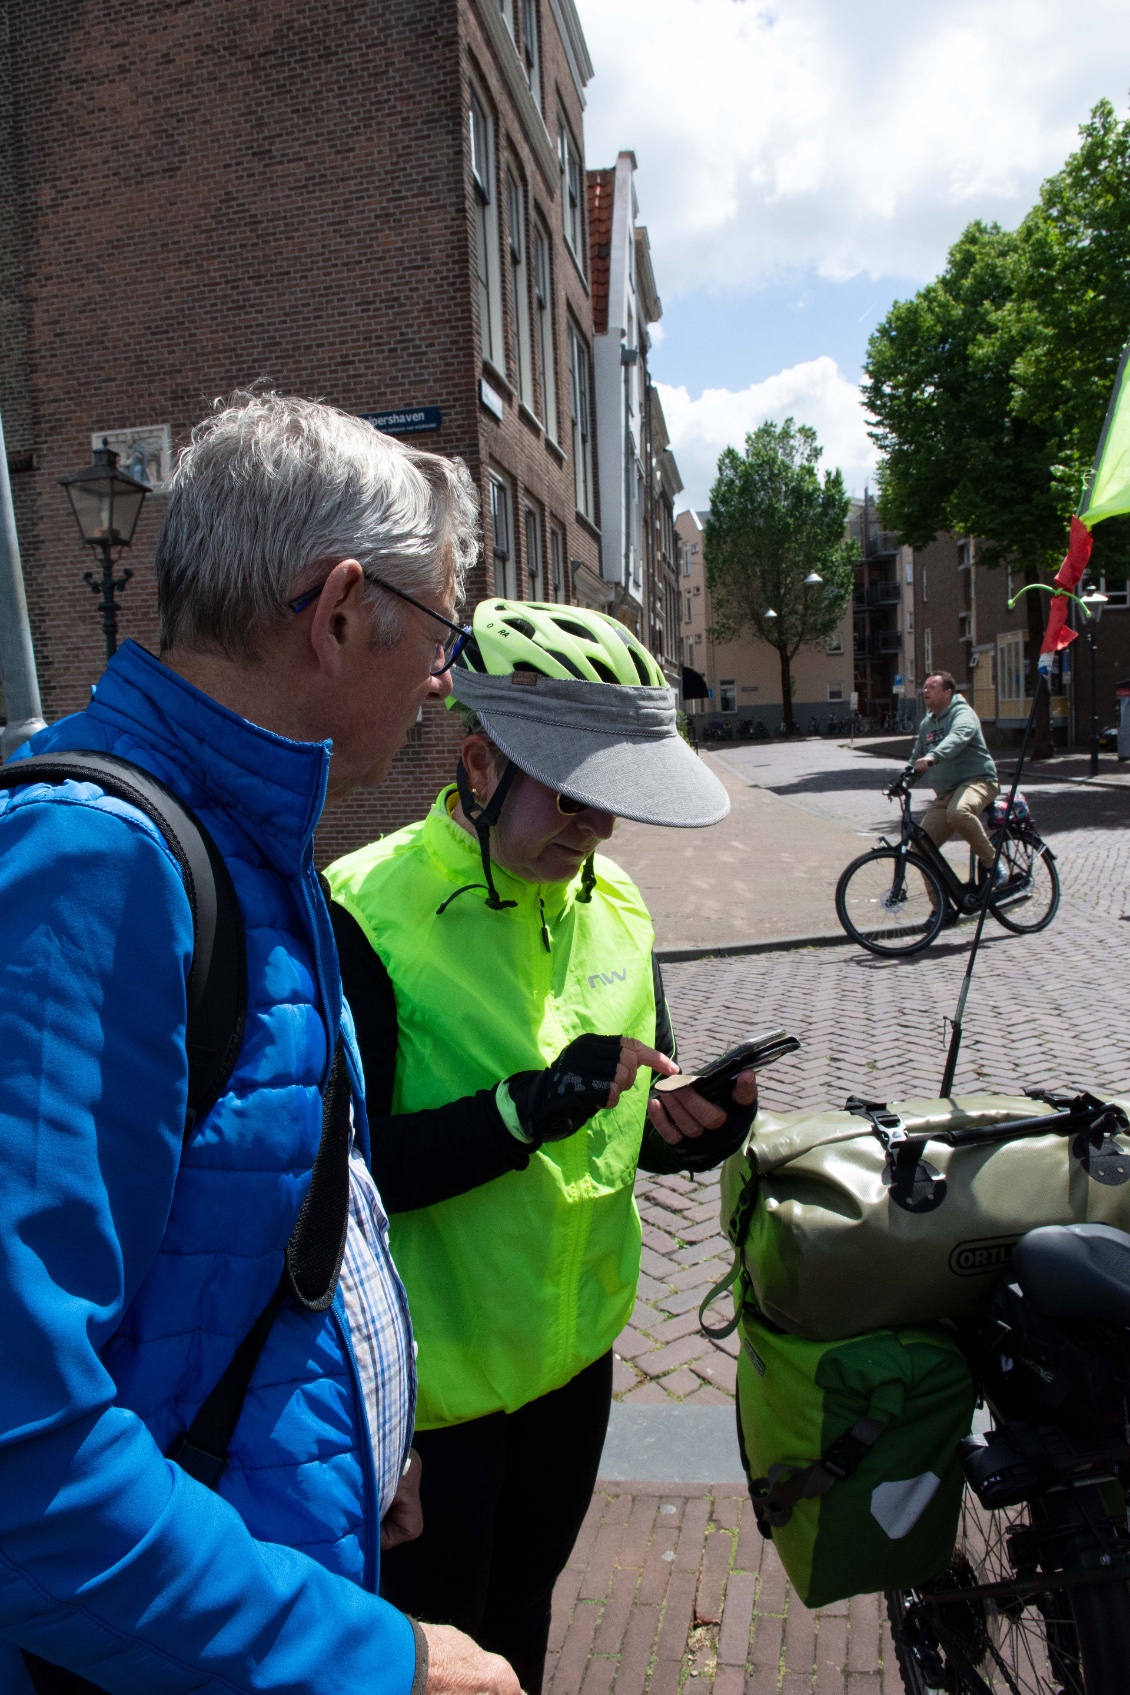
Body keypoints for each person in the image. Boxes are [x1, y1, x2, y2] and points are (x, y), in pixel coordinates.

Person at [0, 393, 519, 1695]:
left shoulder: (259, 838)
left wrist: (360, 1423)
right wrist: (377, 1656)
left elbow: (279, 1202)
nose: (445, 676)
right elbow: (23, 1454)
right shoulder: (95, 871)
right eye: (441, 630)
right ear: (341, 613)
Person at [326, 600, 760, 1694]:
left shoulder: (615, 905)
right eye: (575, 798)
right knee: (433, 1656)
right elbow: (341, 1178)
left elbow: (626, 1132)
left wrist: (700, 1131)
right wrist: (521, 1111)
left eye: (617, 806)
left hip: (572, 1370)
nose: (599, 832)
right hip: (435, 1405)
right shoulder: (363, 912)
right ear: (479, 764)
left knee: (522, 1620)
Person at [908, 670, 1003, 883]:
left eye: (932, 686)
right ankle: (942, 908)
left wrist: (934, 755)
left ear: (948, 692)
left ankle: (992, 862)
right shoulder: (927, 724)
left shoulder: (963, 714)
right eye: (924, 687)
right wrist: (901, 782)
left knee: (959, 812)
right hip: (946, 794)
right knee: (921, 848)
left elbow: (957, 737)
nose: (925, 690)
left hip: (979, 781)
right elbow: (916, 758)